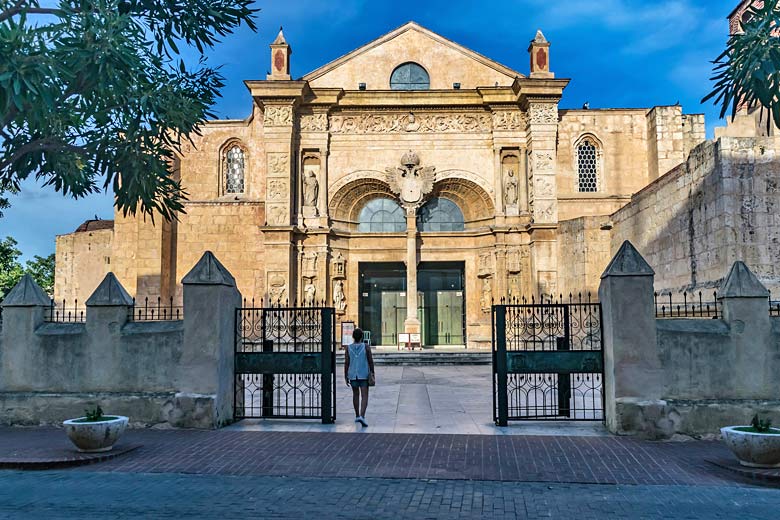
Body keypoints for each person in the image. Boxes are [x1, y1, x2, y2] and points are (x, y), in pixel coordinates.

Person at [344, 327, 375, 427]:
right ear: (362, 336)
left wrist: (346, 375)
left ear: (353, 337)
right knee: (364, 395)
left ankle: (357, 415)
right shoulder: (366, 347)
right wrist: (372, 372)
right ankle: (362, 415)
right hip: (364, 374)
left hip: (353, 374)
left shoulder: (348, 348)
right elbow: (370, 361)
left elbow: (346, 363)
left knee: (355, 394)